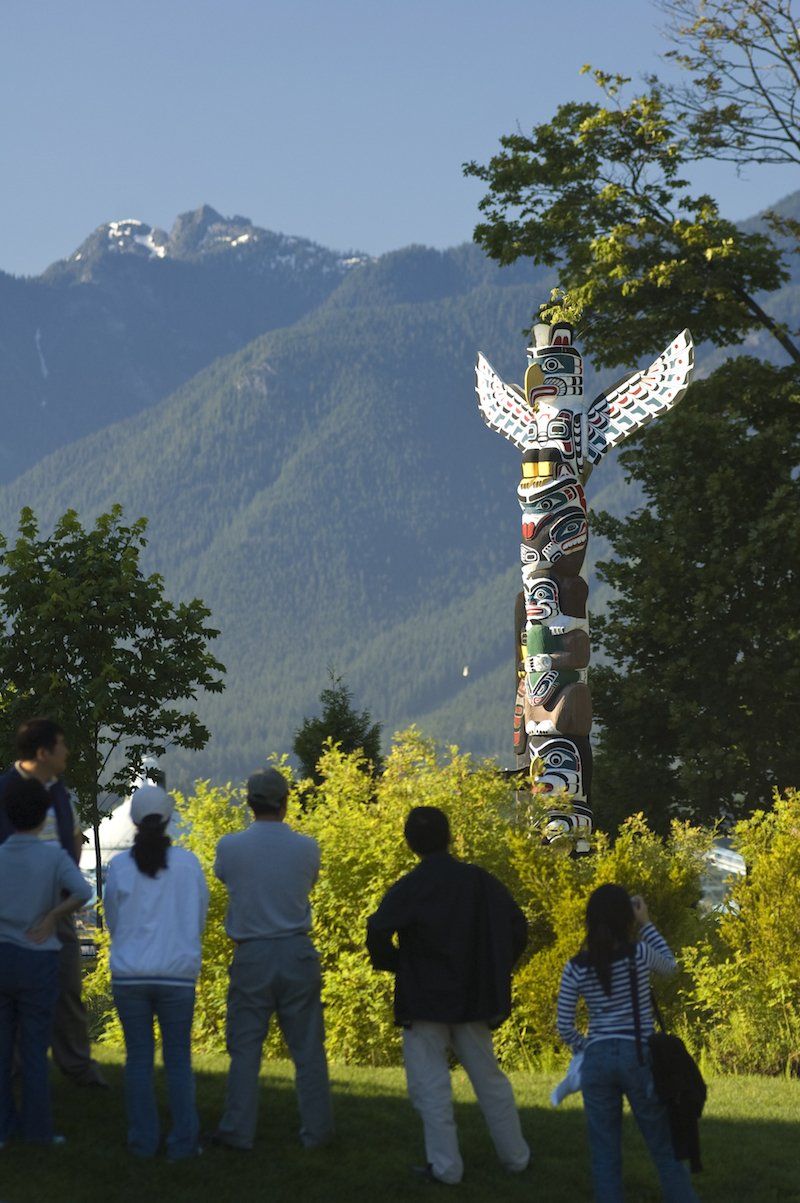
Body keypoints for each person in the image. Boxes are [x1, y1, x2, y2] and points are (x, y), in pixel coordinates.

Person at [366, 805, 530, 1186]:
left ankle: (445, 1167)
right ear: (449, 836)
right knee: (490, 1081)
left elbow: (377, 932)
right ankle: (516, 1158)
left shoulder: (411, 887)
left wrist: (398, 966)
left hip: (424, 1001)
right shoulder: (479, 881)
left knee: (431, 1087)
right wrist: (496, 968)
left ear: (410, 843)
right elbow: (516, 926)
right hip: (473, 998)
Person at [210, 768, 333, 1151]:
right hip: (297, 951)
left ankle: (238, 1131)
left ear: (249, 803)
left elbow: (226, 879)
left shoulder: (230, 847)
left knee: (245, 1048)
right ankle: (318, 1132)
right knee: (308, 1049)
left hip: (252, 954)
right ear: (285, 802)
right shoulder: (307, 848)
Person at [556, 883, 700, 1203]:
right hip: (638, 1055)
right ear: (626, 918)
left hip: (597, 1061)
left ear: (590, 919)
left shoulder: (576, 966)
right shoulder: (638, 954)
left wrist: (585, 1048)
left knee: (605, 1153)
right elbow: (670, 966)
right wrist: (646, 924)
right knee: (663, 1147)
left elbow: (564, 1025)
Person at [0, 717, 106, 1088]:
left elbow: (74, 836)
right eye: (62, 745)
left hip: (58, 909)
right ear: (43, 752)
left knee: (68, 987)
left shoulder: (60, 791)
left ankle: (76, 1066)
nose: (68, 752)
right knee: (10, 994)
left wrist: (66, 878)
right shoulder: (6, 790)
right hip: (13, 913)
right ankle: (13, 1070)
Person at [104, 783, 208, 1160]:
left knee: (138, 1060)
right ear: (168, 820)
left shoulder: (119, 867)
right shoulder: (189, 863)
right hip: (177, 973)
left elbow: (112, 922)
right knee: (179, 1060)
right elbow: (198, 918)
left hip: (130, 974)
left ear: (133, 821)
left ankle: (142, 1141)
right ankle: (183, 1141)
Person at [0, 776, 93, 1145]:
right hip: (39, 956)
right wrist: (54, 916)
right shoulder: (52, 856)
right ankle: (39, 1130)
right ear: (44, 818)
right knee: (36, 1049)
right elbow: (84, 891)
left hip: (3, 953)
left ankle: (4, 1130)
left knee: (4, 1049)